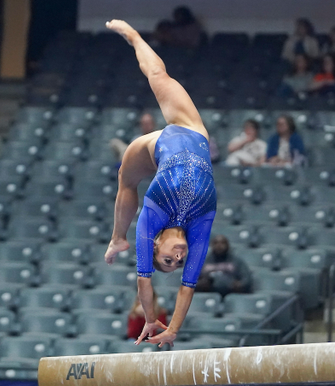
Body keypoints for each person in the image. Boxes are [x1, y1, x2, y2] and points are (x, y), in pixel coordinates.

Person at [103, 20, 216, 348]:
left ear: (154, 246)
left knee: (127, 177)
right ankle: (116, 238)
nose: (178, 258)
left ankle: (117, 238)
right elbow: (187, 286)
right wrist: (173, 329)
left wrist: (151, 319)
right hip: (193, 132)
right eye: (177, 263)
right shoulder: (200, 225)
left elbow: (144, 280)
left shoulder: (151, 221)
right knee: (126, 174)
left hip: (157, 147)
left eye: (169, 260)